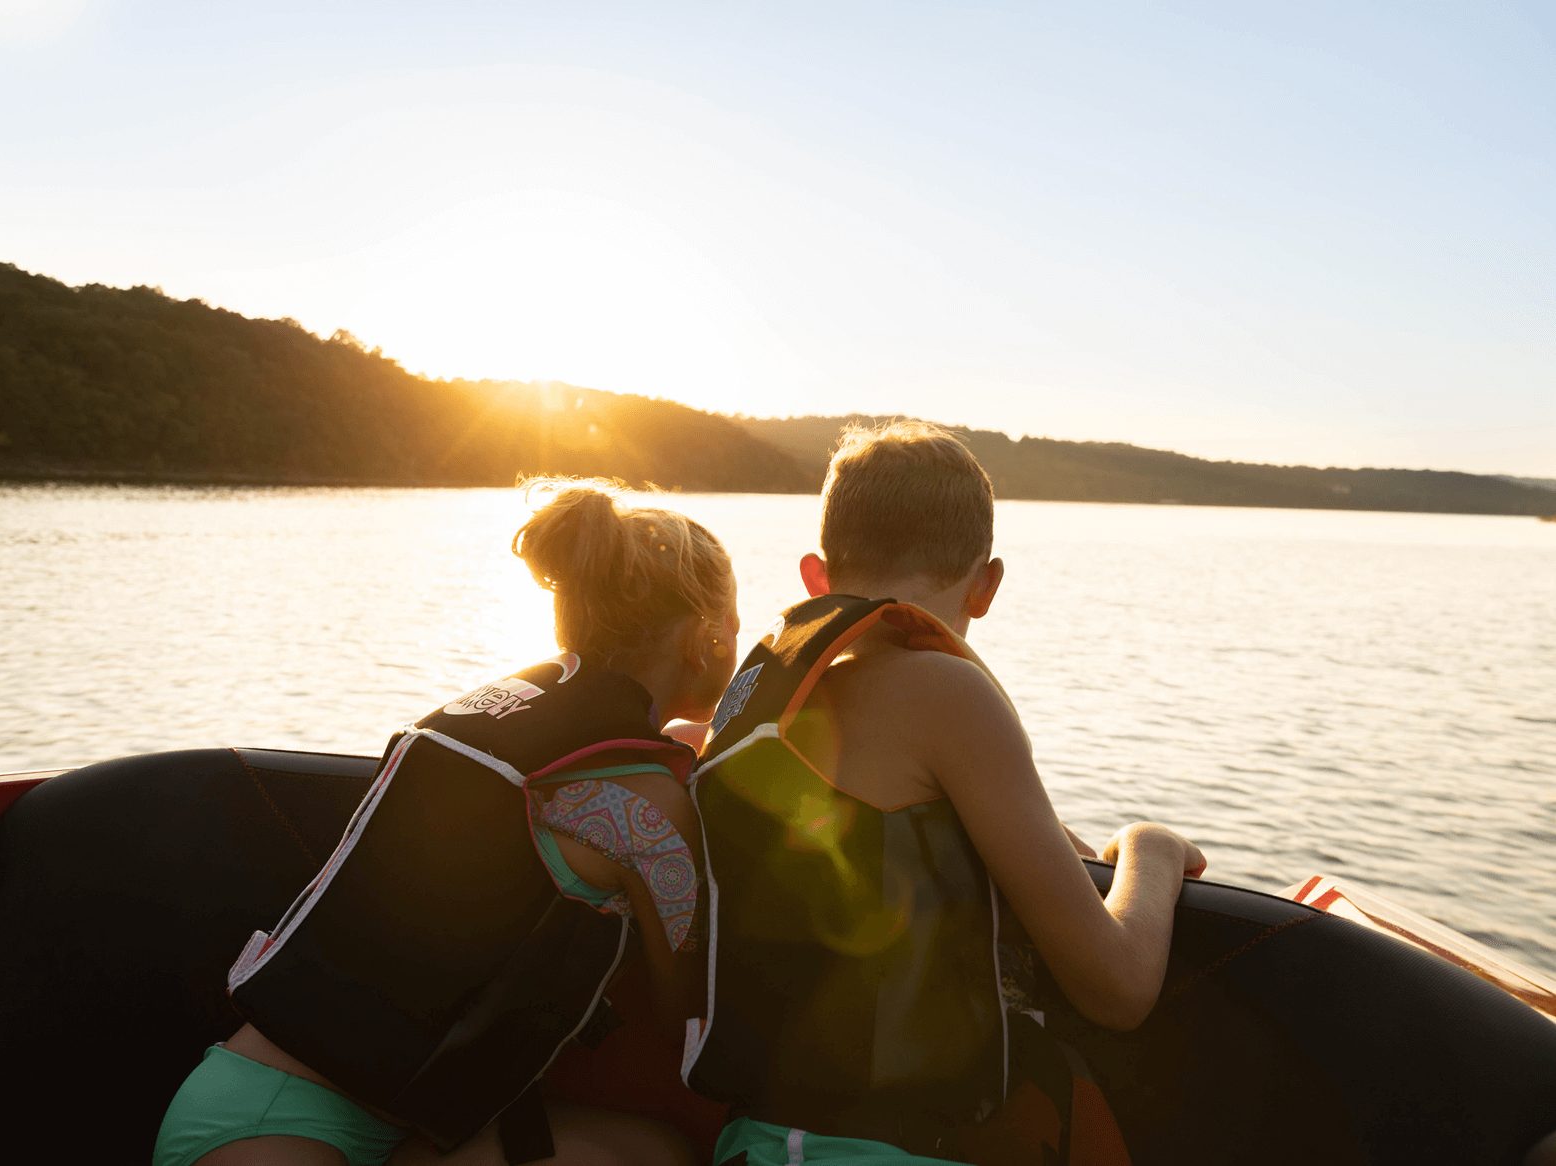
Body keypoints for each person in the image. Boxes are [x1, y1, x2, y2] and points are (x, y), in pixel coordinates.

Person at [155, 482, 739, 1166]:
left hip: (354, 1119)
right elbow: (690, 1017)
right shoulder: (646, 804)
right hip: (275, 1128)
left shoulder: (496, 721)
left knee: (654, 1154)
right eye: (732, 627)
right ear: (705, 640)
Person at [684, 421, 1204, 1166]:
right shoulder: (947, 692)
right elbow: (1116, 989)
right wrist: (1151, 848)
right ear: (986, 585)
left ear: (816, 577)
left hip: (755, 1142)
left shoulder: (762, 699)